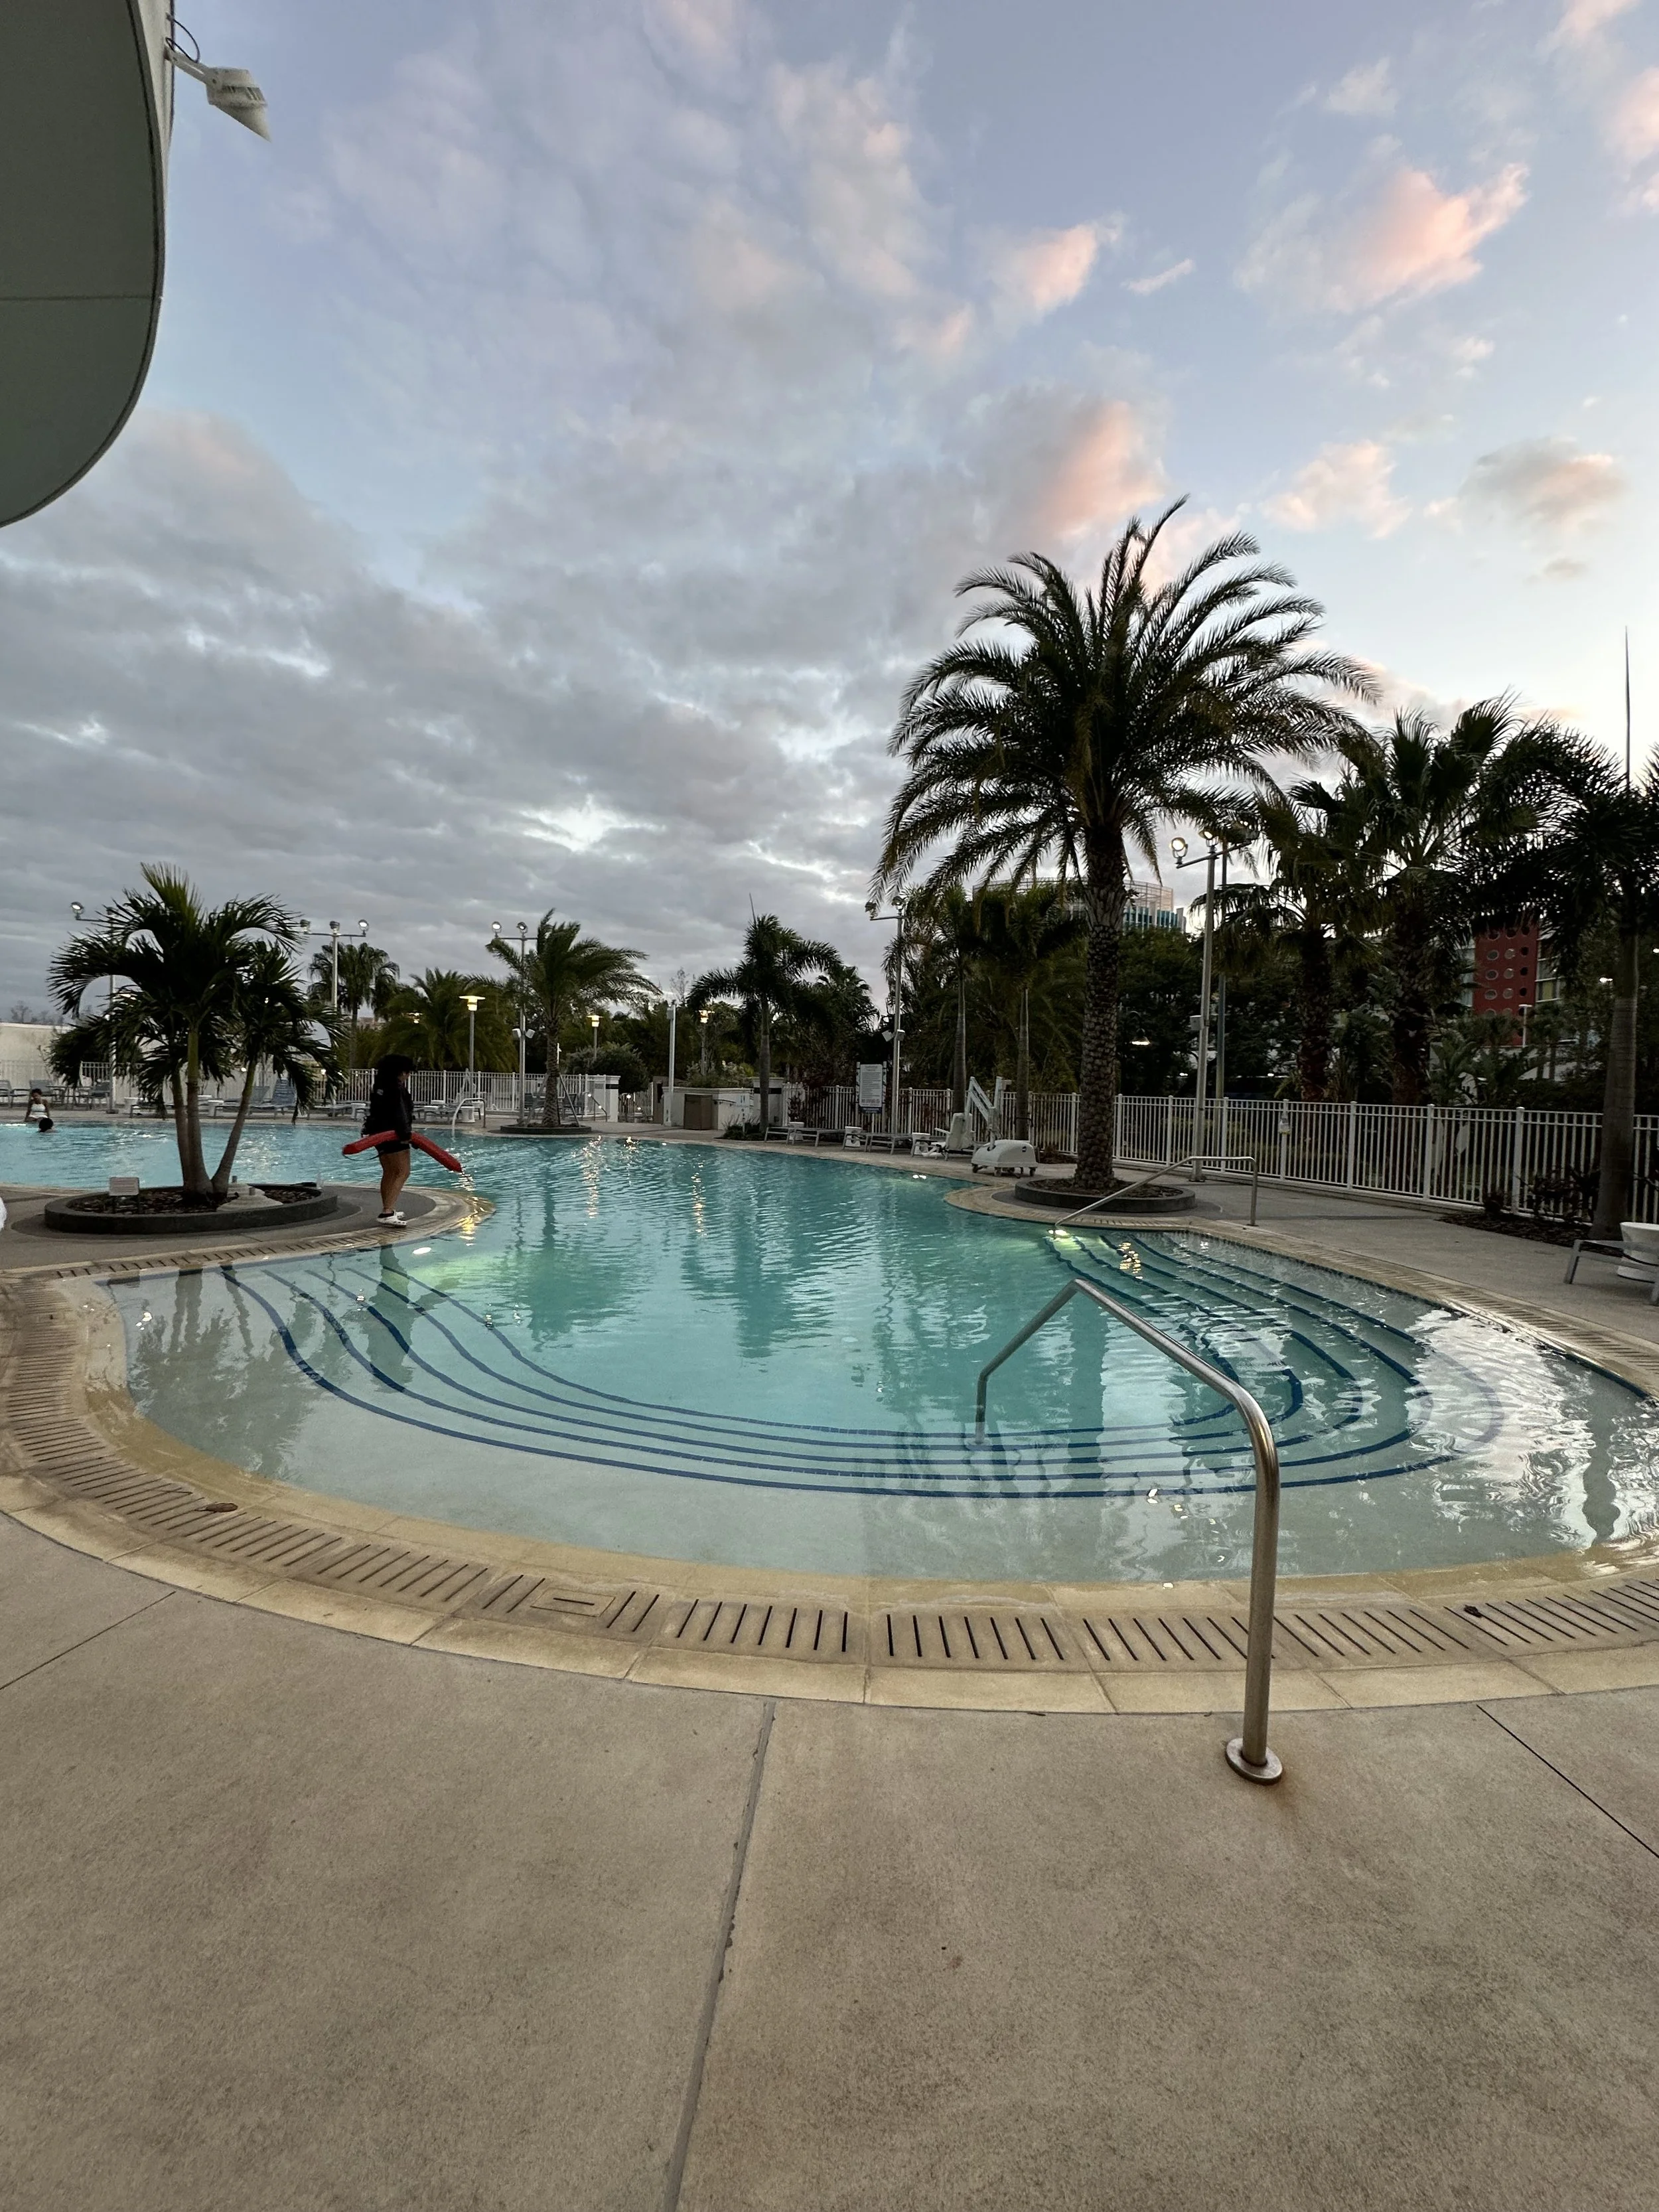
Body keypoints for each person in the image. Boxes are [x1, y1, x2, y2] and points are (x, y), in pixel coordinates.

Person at [363, 1054, 416, 1224]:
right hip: (395, 1135)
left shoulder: (379, 1086)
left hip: (378, 1134)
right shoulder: (396, 1088)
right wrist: (406, 1135)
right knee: (402, 1171)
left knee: (389, 1172)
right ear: (400, 1072)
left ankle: (389, 1207)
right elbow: (399, 1113)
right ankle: (387, 1212)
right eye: (407, 1072)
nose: (408, 1076)